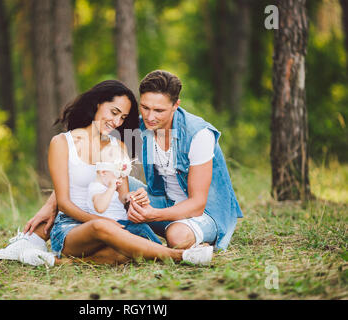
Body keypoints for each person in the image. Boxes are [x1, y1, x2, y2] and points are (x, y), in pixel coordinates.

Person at [0, 79, 213, 266]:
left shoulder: (119, 146)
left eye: (122, 118)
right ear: (97, 103)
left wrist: (133, 200)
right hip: (74, 229)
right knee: (103, 228)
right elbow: (64, 203)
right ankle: (180, 257)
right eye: (113, 112)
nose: (116, 122)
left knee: (124, 255)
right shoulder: (62, 143)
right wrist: (101, 221)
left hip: (119, 224)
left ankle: (56, 262)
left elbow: (123, 194)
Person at [22, 71, 243, 257]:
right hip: (162, 201)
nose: (150, 117)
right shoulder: (136, 129)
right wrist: (51, 205)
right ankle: (28, 242)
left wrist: (150, 215)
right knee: (120, 183)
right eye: (145, 107)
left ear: (176, 105)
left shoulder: (198, 135)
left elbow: (197, 204)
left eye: (159, 111)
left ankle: (164, 247)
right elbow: (81, 168)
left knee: (177, 237)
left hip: (203, 212)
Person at [86, 144, 162, 246]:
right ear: (103, 172)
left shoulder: (109, 187)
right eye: (118, 176)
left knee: (142, 227)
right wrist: (111, 188)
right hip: (112, 225)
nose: (121, 180)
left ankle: (155, 247)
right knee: (141, 230)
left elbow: (120, 200)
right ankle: (159, 249)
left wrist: (129, 196)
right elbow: (100, 207)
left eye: (123, 177)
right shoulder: (96, 187)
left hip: (122, 223)